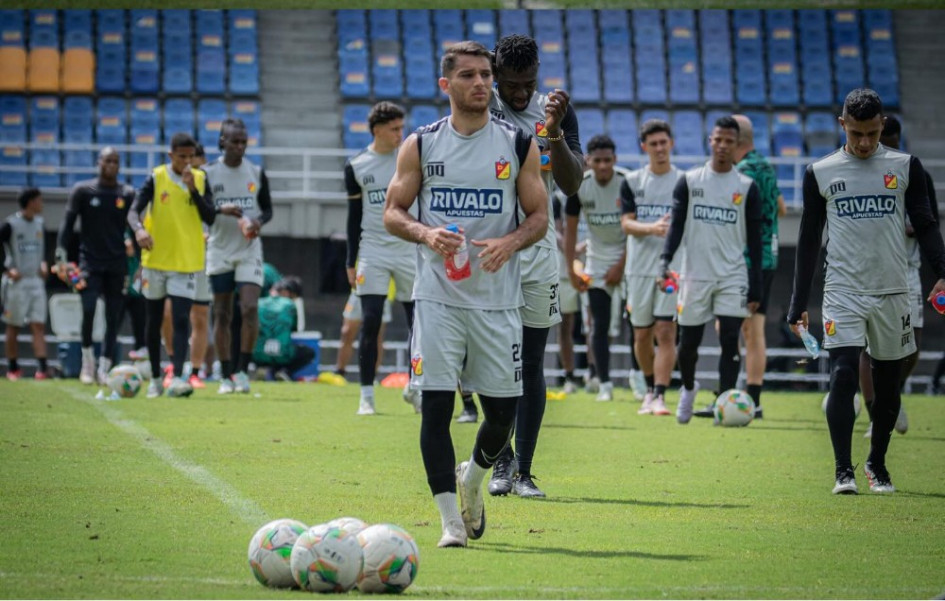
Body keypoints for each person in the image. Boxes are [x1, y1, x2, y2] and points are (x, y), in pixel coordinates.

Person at [383, 40, 547, 548]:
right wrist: (426, 234)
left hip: (498, 300)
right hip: (437, 298)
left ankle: (473, 480)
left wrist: (512, 239)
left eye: (486, 76)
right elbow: (393, 212)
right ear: (446, 84)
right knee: (435, 409)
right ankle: (450, 521)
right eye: (470, 76)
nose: (481, 84)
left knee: (501, 415)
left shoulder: (518, 143)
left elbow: (539, 217)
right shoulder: (422, 144)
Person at [788, 88, 945, 495]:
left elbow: (926, 225)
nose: (864, 142)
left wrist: (942, 271)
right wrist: (797, 304)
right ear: (843, 125)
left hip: (893, 290)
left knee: (889, 383)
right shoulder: (820, 171)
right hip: (843, 289)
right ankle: (844, 470)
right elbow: (807, 240)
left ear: (882, 128)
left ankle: (878, 463)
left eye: (872, 134)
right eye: (856, 133)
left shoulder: (904, 166)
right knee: (842, 375)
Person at [487, 33, 584, 499]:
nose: (521, 93)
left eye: (528, 83)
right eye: (511, 85)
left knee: (530, 363)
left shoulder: (554, 109)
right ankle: (498, 460)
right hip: (487, 249)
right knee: (489, 362)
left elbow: (571, 183)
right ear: (495, 75)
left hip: (538, 252)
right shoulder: (481, 103)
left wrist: (557, 132)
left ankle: (522, 470)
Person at [660, 116, 763, 424]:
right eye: (717, 140)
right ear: (710, 141)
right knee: (688, 343)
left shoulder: (746, 187)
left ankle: (725, 402)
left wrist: (756, 285)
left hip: (732, 275)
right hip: (694, 274)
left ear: (737, 146)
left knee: (730, 338)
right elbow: (676, 226)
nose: (722, 146)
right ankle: (689, 388)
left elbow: (755, 242)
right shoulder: (690, 181)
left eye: (729, 141)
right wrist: (665, 261)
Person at [693, 114, 786, 419]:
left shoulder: (742, 173)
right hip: (769, 255)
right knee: (754, 331)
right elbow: (782, 209)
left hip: (745, 260)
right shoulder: (767, 168)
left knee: (730, 327)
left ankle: (726, 395)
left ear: (738, 142)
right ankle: (753, 399)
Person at [859, 115, 938, 437]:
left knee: (912, 346)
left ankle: (892, 394)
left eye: (889, 143)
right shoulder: (861, 174)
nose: (883, 149)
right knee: (869, 348)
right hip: (870, 271)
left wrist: (908, 228)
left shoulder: (914, 171)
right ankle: (875, 414)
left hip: (907, 270)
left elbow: (930, 222)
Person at [127, 133, 218, 398]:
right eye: (182, 157)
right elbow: (134, 210)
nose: (187, 162)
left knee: (181, 319)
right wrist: (139, 230)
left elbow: (210, 216)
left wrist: (192, 189)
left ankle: (178, 376)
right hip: (155, 261)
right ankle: (155, 378)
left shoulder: (200, 179)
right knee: (154, 320)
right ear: (171, 156)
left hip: (187, 261)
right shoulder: (157, 177)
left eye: (191, 157)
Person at [345, 101, 418, 415]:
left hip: (408, 248)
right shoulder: (357, 166)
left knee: (418, 322)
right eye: (394, 129)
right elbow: (353, 216)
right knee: (370, 320)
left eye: (402, 128)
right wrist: (351, 260)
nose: (400, 134)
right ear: (377, 130)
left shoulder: (412, 158)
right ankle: (366, 394)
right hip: (372, 250)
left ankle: (416, 386)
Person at [203, 118, 273, 395]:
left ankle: (243, 370)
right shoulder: (208, 174)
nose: (240, 146)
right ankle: (225, 373)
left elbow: (267, 210)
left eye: (244, 142)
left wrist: (257, 223)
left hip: (248, 250)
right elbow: (204, 212)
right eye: (234, 141)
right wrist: (222, 210)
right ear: (222, 141)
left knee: (250, 308)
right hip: (219, 249)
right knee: (221, 313)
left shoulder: (256, 172)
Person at [56, 148, 135, 384]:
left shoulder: (127, 193)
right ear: (98, 162)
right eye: (107, 160)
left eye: (115, 161)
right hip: (89, 261)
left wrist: (139, 259)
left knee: (114, 317)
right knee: (89, 309)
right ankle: (87, 361)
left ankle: (105, 366)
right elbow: (67, 223)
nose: (111, 164)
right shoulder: (83, 190)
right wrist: (61, 256)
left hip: (117, 262)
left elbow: (135, 225)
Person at [620, 119, 681, 416]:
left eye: (663, 142)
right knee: (641, 334)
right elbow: (626, 223)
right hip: (639, 270)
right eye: (653, 144)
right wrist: (652, 228)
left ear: (672, 143)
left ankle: (659, 395)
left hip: (671, 270)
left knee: (666, 331)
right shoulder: (632, 181)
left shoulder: (685, 181)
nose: (659, 148)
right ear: (644, 147)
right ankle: (647, 389)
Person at [564, 134, 628, 403]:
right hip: (597, 260)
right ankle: (604, 384)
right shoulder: (578, 186)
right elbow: (569, 231)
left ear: (615, 160)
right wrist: (570, 269)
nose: (603, 166)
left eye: (608, 160)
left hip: (629, 257)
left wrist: (621, 265)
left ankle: (640, 381)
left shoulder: (628, 183)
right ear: (589, 160)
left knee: (639, 323)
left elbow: (636, 229)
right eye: (597, 161)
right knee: (597, 325)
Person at [158, 142, 213, 389]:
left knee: (200, 316)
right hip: (176, 258)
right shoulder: (167, 181)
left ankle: (195, 371)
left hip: (203, 259)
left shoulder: (205, 181)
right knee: (168, 314)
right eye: (188, 158)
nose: (192, 163)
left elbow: (214, 215)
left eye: (196, 158)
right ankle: (173, 362)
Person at [1, 188, 48, 380]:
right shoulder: (10, 225)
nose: (42, 204)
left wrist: (44, 263)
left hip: (36, 281)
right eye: (39, 200)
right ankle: (13, 368)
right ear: (31, 202)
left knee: (38, 325)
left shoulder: (40, 223)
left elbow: (41, 250)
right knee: (14, 325)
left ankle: (43, 369)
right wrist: (6, 270)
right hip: (16, 283)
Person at [253, 276, 315, 380]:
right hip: (282, 355)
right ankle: (284, 372)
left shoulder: (259, 302)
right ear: (287, 292)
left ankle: (262, 369)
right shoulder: (289, 304)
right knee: (308, 352)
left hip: (257, 355)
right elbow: (295, 329)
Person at [326, 290, 391, 385]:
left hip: (381, 293)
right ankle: (340, 373)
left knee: (376, 335)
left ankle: (372, 376)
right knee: (347, 331)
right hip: (358, 291)